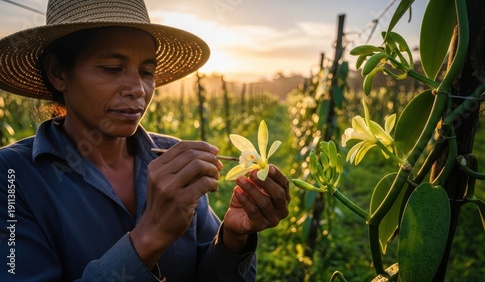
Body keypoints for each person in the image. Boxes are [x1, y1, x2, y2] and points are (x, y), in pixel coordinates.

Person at [0, 0, 290, 281]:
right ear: (58, 73)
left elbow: (212, 271)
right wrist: (152, 234)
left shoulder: (172, 157)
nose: (138, 89)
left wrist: (233, 237)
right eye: (113, 68)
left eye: (147, 72)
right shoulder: (11, 177)